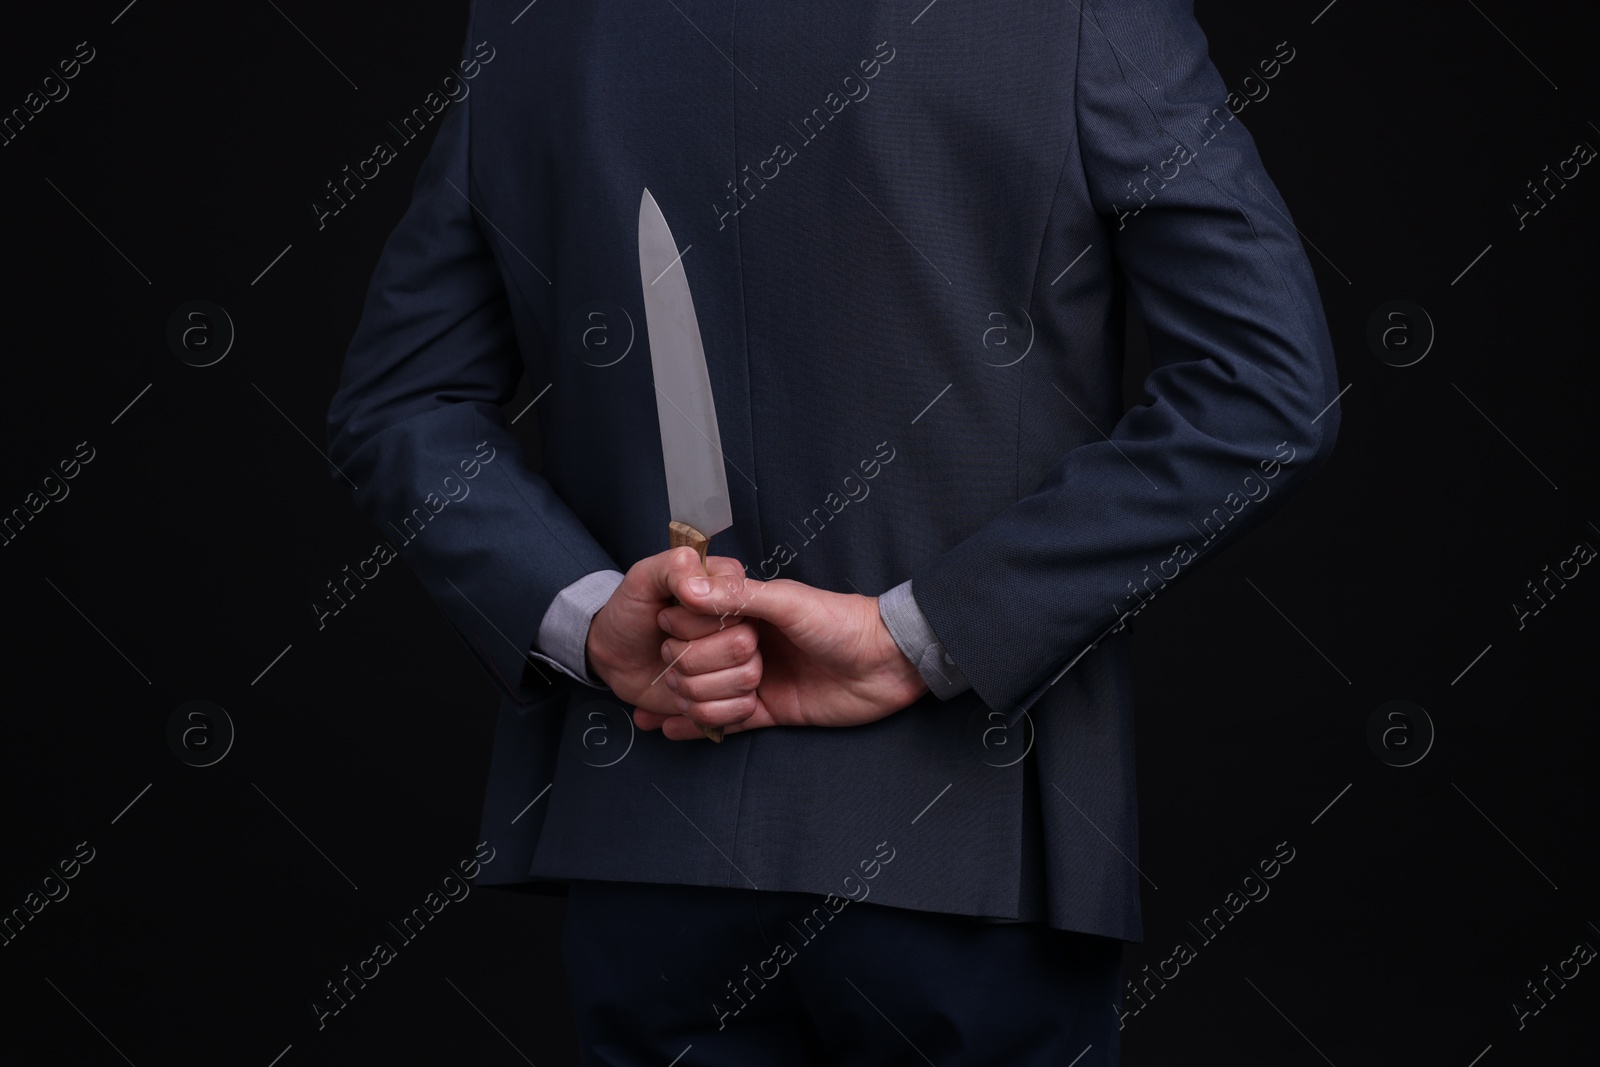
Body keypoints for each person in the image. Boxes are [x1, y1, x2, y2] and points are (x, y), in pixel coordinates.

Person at [325, 0, 1340, 1062]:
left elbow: (402, 406)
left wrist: (585, 621)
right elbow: (1266, 395)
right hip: (969, 852)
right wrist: (925, 632)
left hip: (654, 852)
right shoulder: (1080, 17)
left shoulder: (543, 22)